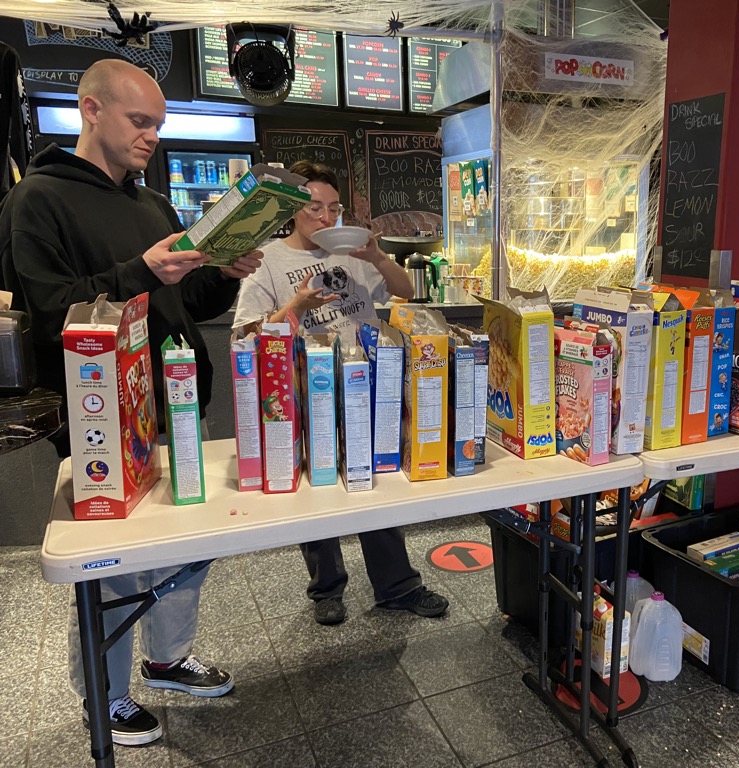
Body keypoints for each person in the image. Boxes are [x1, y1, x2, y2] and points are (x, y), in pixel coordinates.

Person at [0, 60, 265, 746]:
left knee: (187, 548)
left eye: (158, 124)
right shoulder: (37, 200)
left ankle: (168, 659)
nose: (151, 136)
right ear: (91, 110)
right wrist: (141, 271)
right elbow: (55, 313)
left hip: (175, 404)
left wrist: (223, 275)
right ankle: (105, 694)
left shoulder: (152, 204)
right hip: (99, 422)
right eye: (138, 121)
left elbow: (181, 303)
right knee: (113, 565)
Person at [233, 160, 449, 626]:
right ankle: (326, 588)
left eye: (333, 208)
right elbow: (246, 336)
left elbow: (405, 291)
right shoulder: (267, 261)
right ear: (293, 210)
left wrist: (375, 257)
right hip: (304, 388)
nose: (325, 216)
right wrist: (295, 305)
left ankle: (397, 585)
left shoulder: (352, 253)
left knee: (377, 486)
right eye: (314, 206)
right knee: (317, 490)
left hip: (367, 383)